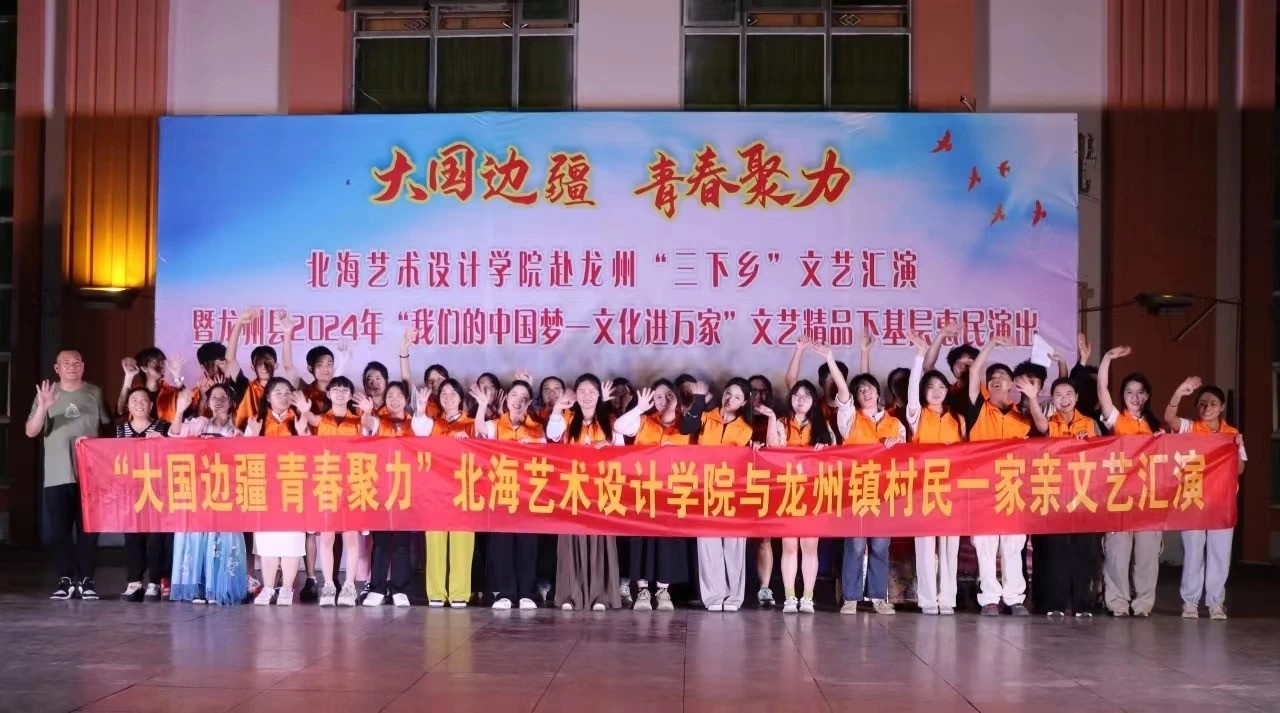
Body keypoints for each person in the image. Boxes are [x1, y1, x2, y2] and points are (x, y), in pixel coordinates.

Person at [964, 336, 1047, 616]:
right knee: (986, 545)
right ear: (987, 385)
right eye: (993, 378)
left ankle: (1014, 598)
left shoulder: (1021, 414)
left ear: (1013, 384)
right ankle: (989, 598)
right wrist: (991, 344)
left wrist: (1032, 397)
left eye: (1003, 377)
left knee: (1013, 544)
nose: (998, 380)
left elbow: (1043, 428)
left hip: (1013, 487)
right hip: (982, 488)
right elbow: (975, 371)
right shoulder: (978, 409)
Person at [761, 343, 845, 614]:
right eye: (796, 395)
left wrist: (825, 451)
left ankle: (807, 596)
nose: (800, 399)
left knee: (810, 547)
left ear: (813, 401)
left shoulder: (823, 426)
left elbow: (834, 458)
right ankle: (789, 597)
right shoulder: (782, 423)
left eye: (806, 396)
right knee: (788, 546)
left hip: (812, 493)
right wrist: (771, 419)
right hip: (787, 492)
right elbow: (773, 450)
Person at [25, 350, 111, 600]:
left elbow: (106, 427)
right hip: (57, 474)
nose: (72, 367)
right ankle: (65, 580)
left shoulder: (95, 393)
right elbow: (31, 431)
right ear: (57, 368)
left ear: (83, 366)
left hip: (90, 475)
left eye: (76, 363)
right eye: (66, 363)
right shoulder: (47, 394)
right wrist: (43, 407)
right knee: (60, 532)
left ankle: (87, 580)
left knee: (88, 530)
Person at [1166, 377, 1246, 620]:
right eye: (1202, 403)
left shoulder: (1232, 434)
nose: (1207, 408)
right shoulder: (1190, 428)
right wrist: (1179, 392)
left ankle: (1215, 603)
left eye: (1212, 404)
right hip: (1193, 499)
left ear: (1222, 407)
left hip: (1221, 502)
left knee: (1219, 554)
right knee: (1193, 552)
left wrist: (1236, 449)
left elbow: (1240, 469)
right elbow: (1170, 418)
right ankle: (1190, 602)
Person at [839, 339, 906, 616]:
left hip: (885, 493)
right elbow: (843, 393)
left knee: (880, 546)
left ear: (879, 393)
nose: (865, 392)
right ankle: (851, 598)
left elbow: (907, 459)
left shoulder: (895, 423)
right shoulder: (850, 419)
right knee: (855, 545)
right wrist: (858, 353)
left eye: (869, 388)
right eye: (860, 389)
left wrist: (898, 444)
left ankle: (879, 597)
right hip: (856, 490)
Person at [1096, 346, 1164, 617]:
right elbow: (1102, 389)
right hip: (1119, 498)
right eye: (1128, 392)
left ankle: (1144, 604)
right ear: (1122, 396)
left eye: (1139, 392)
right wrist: (1107, 360)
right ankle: (1117, 602)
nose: (1134, 397)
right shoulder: (1117, 419)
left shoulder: (1156, 427)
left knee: (1147, 555)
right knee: (1117, 553)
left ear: (1147, 396)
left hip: (1148, 500)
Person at [167, 383, 248, 605]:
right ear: (208, 401)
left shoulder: (237, 430)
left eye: (223, 397)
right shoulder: (200, 424)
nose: (218, 401)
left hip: (224, 492)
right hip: (198, 491)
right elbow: (175, 435)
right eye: (214, 397)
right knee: (196, 538)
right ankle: (197, 588)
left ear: (231, 403)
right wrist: (179, 411)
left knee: (221, 538)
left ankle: (216, 588)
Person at [613, 381, 691, 611]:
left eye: (668, 396)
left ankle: (663, 591)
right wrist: (639, 408)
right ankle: (643, 591)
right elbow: (619, 427)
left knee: (666, 542)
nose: (663, 401)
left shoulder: (685, 425)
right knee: (640, 541)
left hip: (672, 494)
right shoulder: (644, 421)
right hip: (642, 493)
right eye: (658, 397)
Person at [547, 374, 622, 611]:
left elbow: (623, 453)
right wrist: (558, 407)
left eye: (591, 391)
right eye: (582, 391)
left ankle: (601, 596)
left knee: (601, 544)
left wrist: (609, 448)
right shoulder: (567, 419)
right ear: (575, 395)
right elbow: (552, 434)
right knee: (571, 543)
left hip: (601, 491)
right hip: (572, 490)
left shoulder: (611, 421)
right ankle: (570, 595)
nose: (587, 396)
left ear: (599, 395)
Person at [680, 378, 755, 612]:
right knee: (708, 544)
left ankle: (733, 597)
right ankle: (713, 596)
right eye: (728, 393)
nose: (730, 399)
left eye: (737, 397)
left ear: (743, 403)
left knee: (734, 545)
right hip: (705, 489)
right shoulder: (705, 416)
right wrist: (699, 400)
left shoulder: (746, 429)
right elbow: (685, 428)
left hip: (733, 492)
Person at [904, 331, 964, 616]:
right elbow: (912, 392)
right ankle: (928, 599)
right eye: (931, 387)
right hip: (923, 489)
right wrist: (919, 356)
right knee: (925, 547)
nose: (937, 391)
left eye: (941, 386)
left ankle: (948, 598)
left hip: (952, 489)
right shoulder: (917, 416)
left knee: (950, 547)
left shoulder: (957, 419)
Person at [474, 379, 545, 609]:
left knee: (528, 545)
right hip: (501, 492)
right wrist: (482, 406)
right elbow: (480, 429)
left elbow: (548, 450)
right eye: (514, 395)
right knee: (502, 544)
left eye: (524, 397)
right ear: (507, 398)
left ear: (529, 403)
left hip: (528, 495)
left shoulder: (536, 428)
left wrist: (535, 442)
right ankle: (505, 593)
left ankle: (526, 593)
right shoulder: (496, 425)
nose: (518, 400)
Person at [1034, 377, 1100, 618]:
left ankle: (1083, 603)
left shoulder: (1090, 424)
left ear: (1077, 397)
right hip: (1055, 495)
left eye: (1068, 394)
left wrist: (1089, 444)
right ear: (1052, 399)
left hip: (1084, 495)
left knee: (1084, 550)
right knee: (1056, 551)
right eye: (1058, 395)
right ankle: (1055, 603)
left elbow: (1104, 454)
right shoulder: (1049, 424)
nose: (1064, 399)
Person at [245, 377, 311, 605]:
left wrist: (303, 432)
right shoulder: (257, 421)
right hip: (265, 490)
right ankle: (269, 587)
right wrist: (252, 436)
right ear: (268, 397)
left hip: (292, 488)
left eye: (287, 393)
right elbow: (244, 456)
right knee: (268, 542)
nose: (283, 397)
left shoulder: (299, 419)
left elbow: (312, 454)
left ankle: (287, 589)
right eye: (278, 393)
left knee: (291, 540)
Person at [299, 375, 364, 607]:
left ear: (351, 394)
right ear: (328, 394)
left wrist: (368, 412)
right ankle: (328, 585)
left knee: (351, 537)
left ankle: (349, 586)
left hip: (353, 484)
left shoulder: (358, 421)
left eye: (345, 389)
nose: (339, 393)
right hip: (326, 484)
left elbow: (373, 430)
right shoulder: (320, 420)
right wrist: (304, 411)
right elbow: (308, 422)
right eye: (335, 389)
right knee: (327, 537)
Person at [412, 378, 476, 608]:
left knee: (462, 540)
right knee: (435, 540)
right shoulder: (432, 424)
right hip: (436, 490)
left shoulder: (471, 424)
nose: (448, 397)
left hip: (464, 489)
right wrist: (420, 409)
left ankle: (459, 591)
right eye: (444, 393)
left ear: (461, 398)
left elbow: (485, 450)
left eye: (453, 393)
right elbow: (418, 430)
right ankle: (436, 592)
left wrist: (470, 443)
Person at [357, 381, 416, 607]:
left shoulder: (415, 424)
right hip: (381, 489)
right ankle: (378, 588)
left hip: (406, 489)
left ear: (406, 399)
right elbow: (367, 422)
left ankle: (400, 589)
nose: (394, 399)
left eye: (399, 395)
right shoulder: (378, 421)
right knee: (381, 541)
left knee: (402, 542)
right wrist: (367, 411)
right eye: (390, 395)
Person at [116, 387, 171, 602]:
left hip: (157, 490)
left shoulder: (163, 427)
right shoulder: (121, 430)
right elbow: (111, 456)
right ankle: (134, 581)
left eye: (144, 400)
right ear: (128, 406)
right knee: (132, 536)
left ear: (151, 404)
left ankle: (155, 582)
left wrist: (163, 440)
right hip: (131, 491)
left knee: (157, 537)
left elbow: (174, 452)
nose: (139, 403)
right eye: (134, 400)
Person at [746, 373, 777, 608]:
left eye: (763, 391)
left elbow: (777, 450)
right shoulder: (737, 419)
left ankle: (764, 587)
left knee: (764, 538)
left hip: (766, 484)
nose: (759, 395)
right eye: (754, 391)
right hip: (736, 485)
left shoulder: (775, 419)